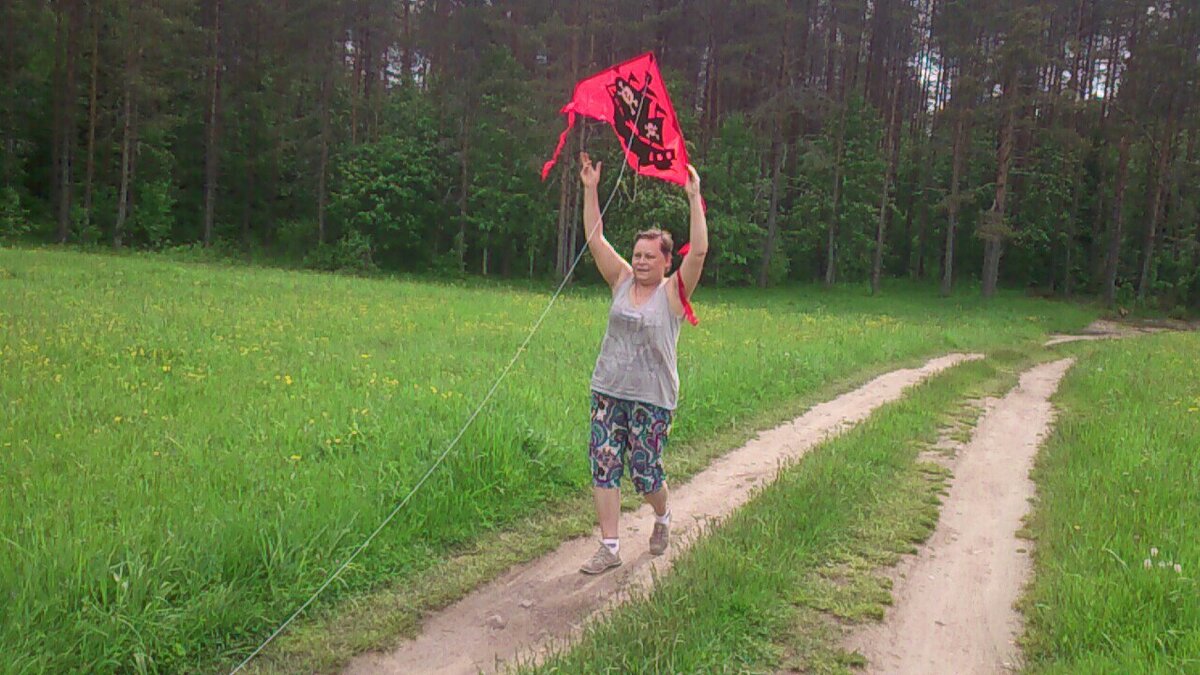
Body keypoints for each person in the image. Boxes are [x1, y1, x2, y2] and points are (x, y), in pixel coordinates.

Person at [577, 151, 708, 574]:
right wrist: (591, 189)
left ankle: (663, 516)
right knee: (604, 463)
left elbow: (701, 252)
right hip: (608, 390)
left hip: (652, 398)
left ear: (667, 261)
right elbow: (596, 239)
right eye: (637, 253)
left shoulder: (673, 293)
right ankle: (610, 547)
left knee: (645, 472)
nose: (640, 260)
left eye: (650, 256)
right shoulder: (620, 280)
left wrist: (694, 199)